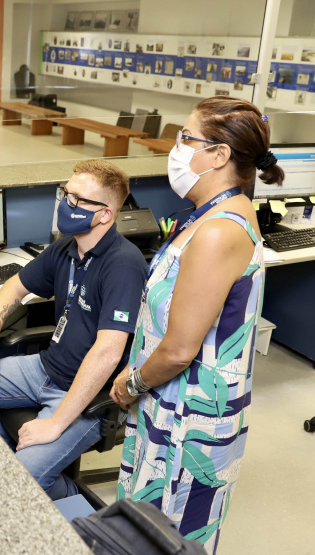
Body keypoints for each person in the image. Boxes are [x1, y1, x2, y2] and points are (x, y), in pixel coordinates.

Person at [110, 96, 283, 553]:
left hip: (188, 416)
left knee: (168, 535)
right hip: (168, 401)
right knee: (146, 529)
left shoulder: (217, 231)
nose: (176, 148)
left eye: (187, 138)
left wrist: (129, 386)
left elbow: (180, 350)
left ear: (220, 155)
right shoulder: (210, 213)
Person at [0, 160, 147, 500]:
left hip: (84, 396)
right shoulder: (66, 247)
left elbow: (108, 352)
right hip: (43, 368)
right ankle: (16, 454)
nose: (65, 204)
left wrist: (55, 423)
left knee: (23, 479)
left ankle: (72, 495)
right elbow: (12, 288)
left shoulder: (123, 264)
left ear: (105, 214)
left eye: (76, 199)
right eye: (65, 194)